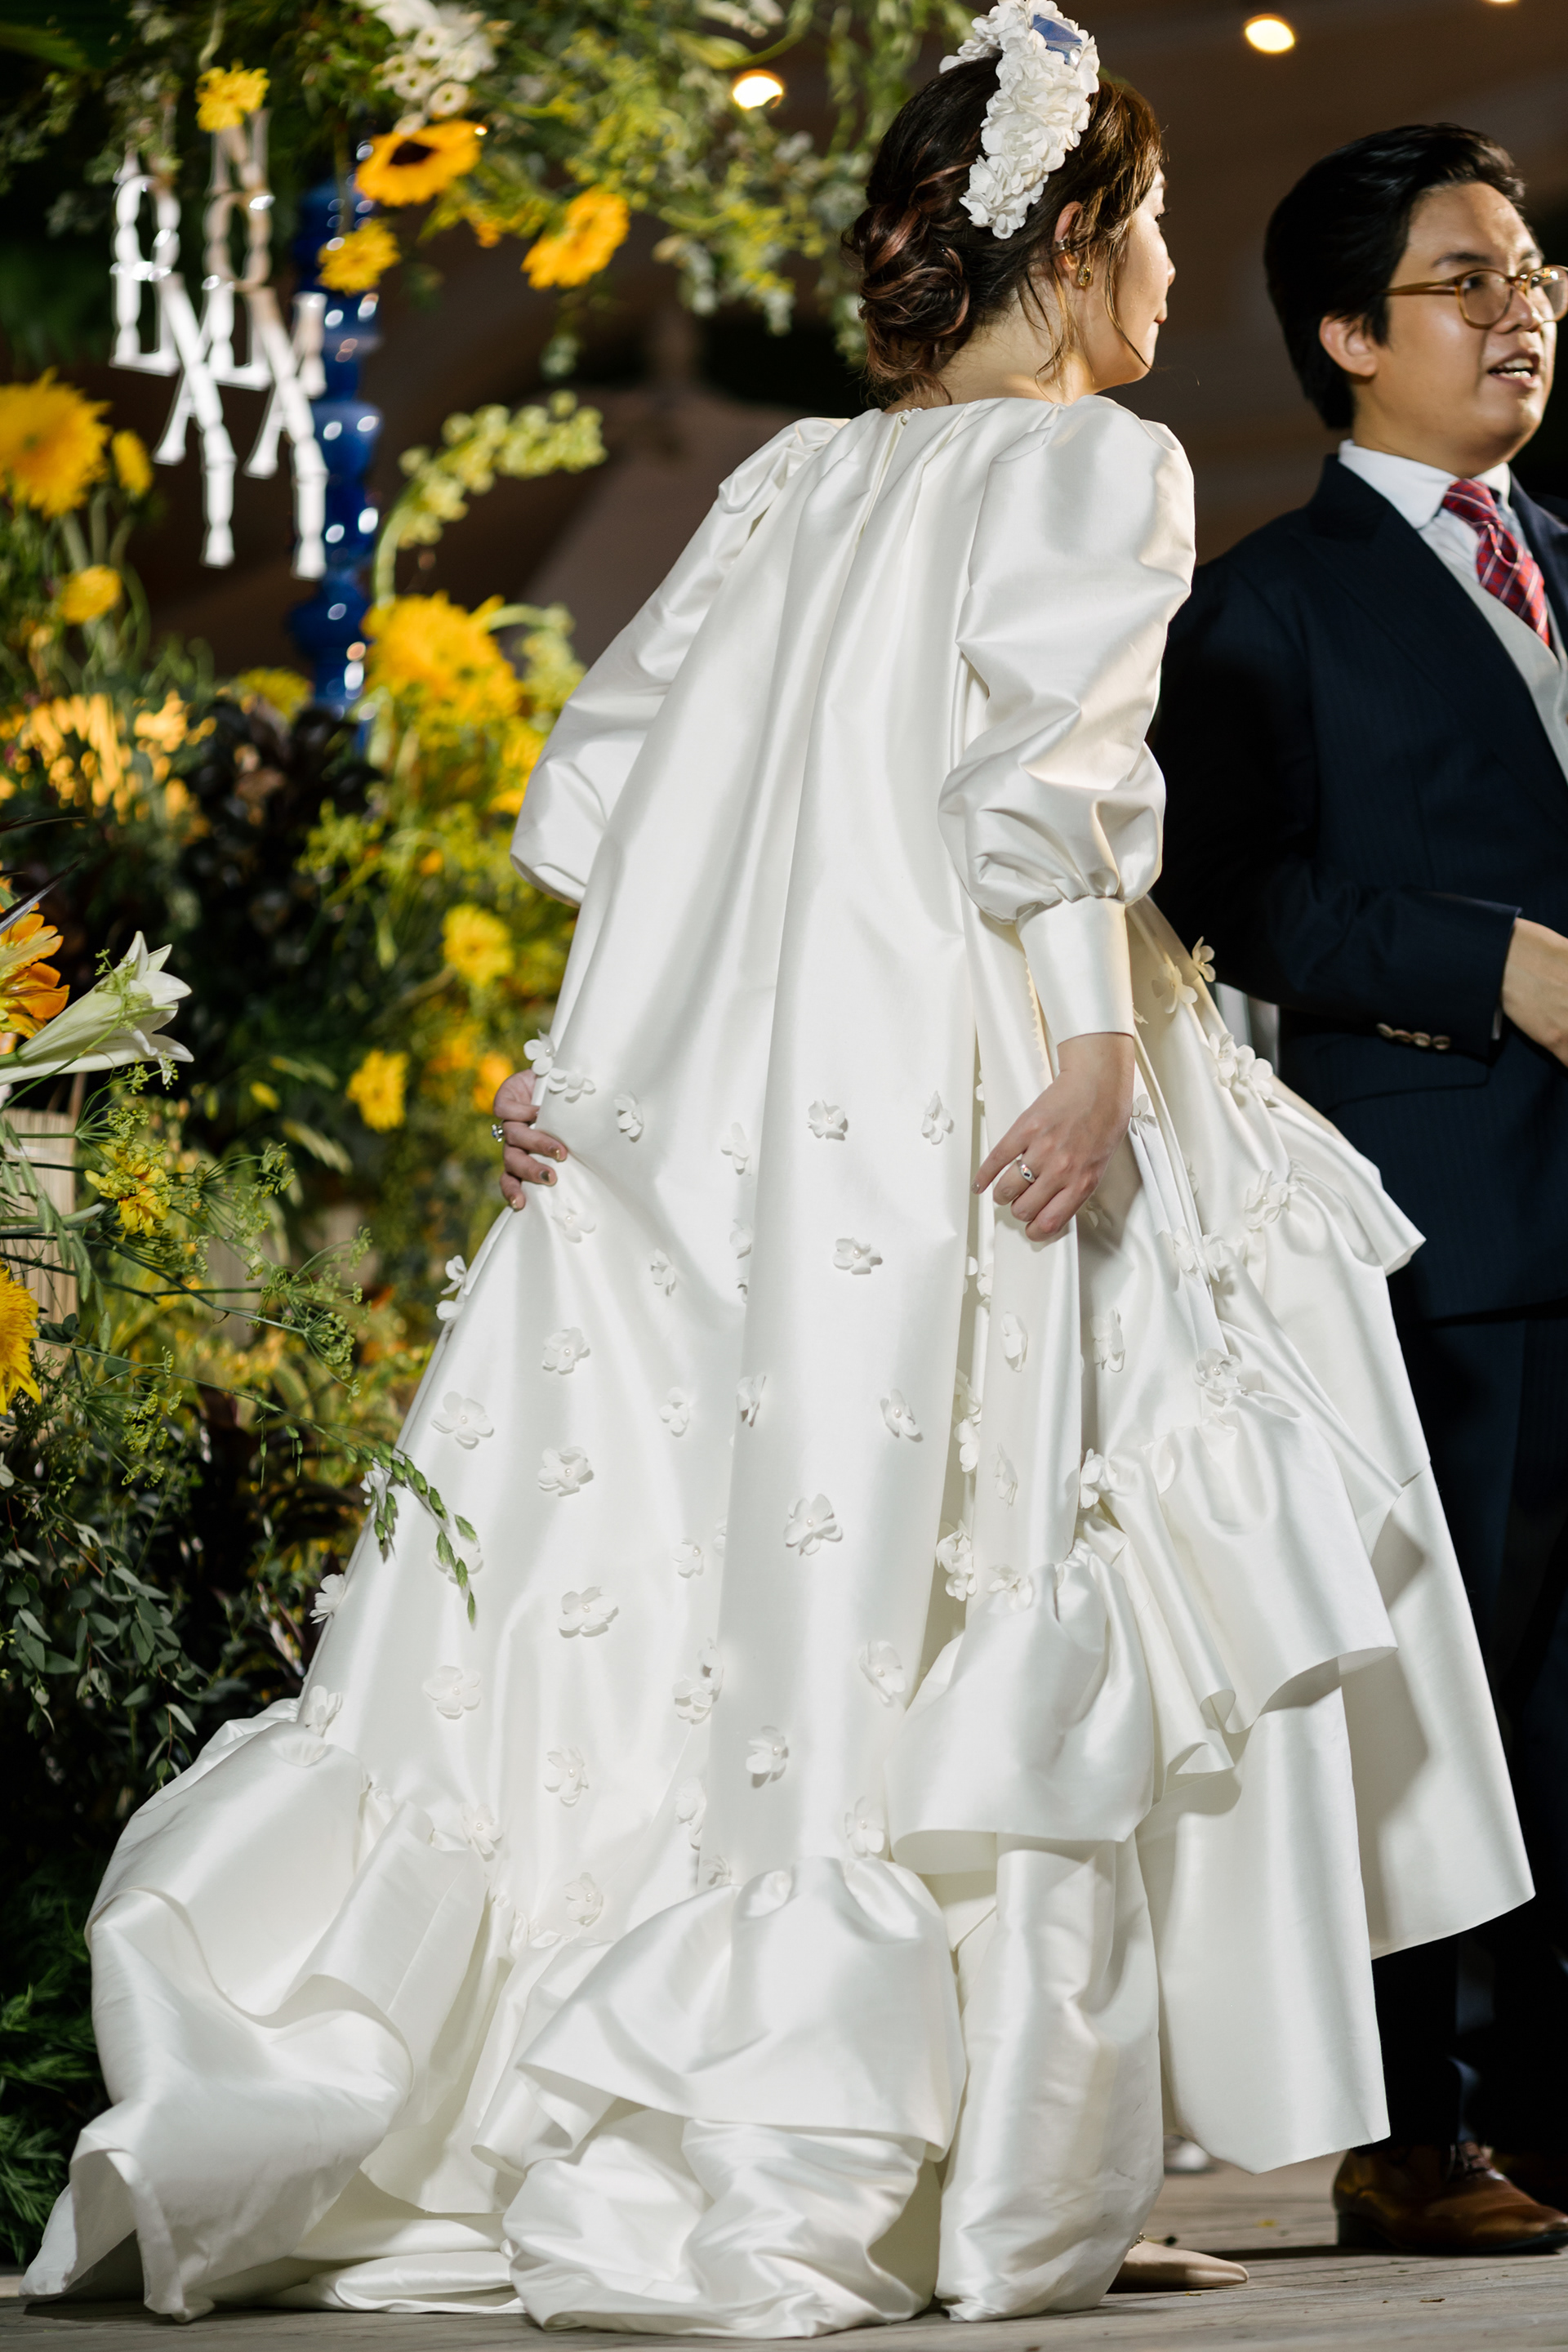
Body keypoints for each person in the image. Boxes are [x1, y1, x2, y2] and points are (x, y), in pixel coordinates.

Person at [26, 26, 1532, 2332]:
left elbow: (611, 783)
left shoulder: (796, 478)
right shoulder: (1093, 462)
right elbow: (1046, 784)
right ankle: (983, 2155)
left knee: (750, 1568)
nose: (1161, 276)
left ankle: (859, 2134)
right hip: (976, 1062)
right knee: (1005, 1544)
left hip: (740, 1084)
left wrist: (580, 1059)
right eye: (1142, 232)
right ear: (1071, 246)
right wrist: (1095, 1052)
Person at [1156, 123, 1568, 2258]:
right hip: (1441, 1219)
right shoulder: (1265, 604)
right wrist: (1487, 961)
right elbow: (1224, 897)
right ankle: (1421, 2131)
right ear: (1344, 332)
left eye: (1534, 275)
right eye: (1465, 280)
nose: (1522, 312)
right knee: (1450, 1681)